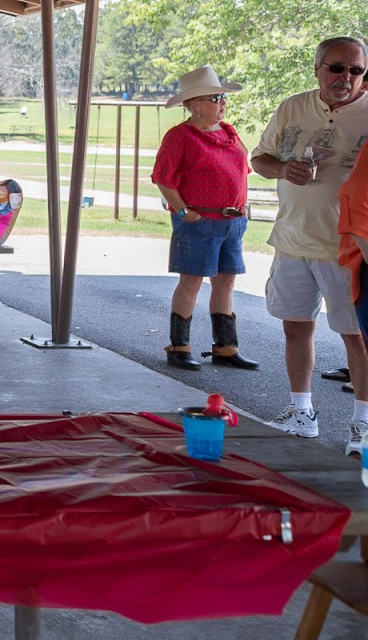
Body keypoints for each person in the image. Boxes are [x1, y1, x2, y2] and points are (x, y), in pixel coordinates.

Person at [254, 36, 368, 453]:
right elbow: (260, 159)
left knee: (356, 335)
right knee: (295, 326)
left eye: (357, 71)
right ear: (318, 67)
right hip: (292, 238)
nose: (347, 78)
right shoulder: (292, 107)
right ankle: (302, 412)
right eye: (338, 68)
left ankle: (363, 424)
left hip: (349, 247)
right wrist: (284, 167)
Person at [151, 65, 254, 374]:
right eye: (215, 98)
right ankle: (179, 347)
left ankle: (225, 347)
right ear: (193, 104)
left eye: (223, 97)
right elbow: (163, 178)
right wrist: (183, 211)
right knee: (192, 280)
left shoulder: (229, 132)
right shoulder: (179, 137)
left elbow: (240, 172)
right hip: (198, 221)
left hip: (231, 222)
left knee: (226, 280)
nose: (222, 103)